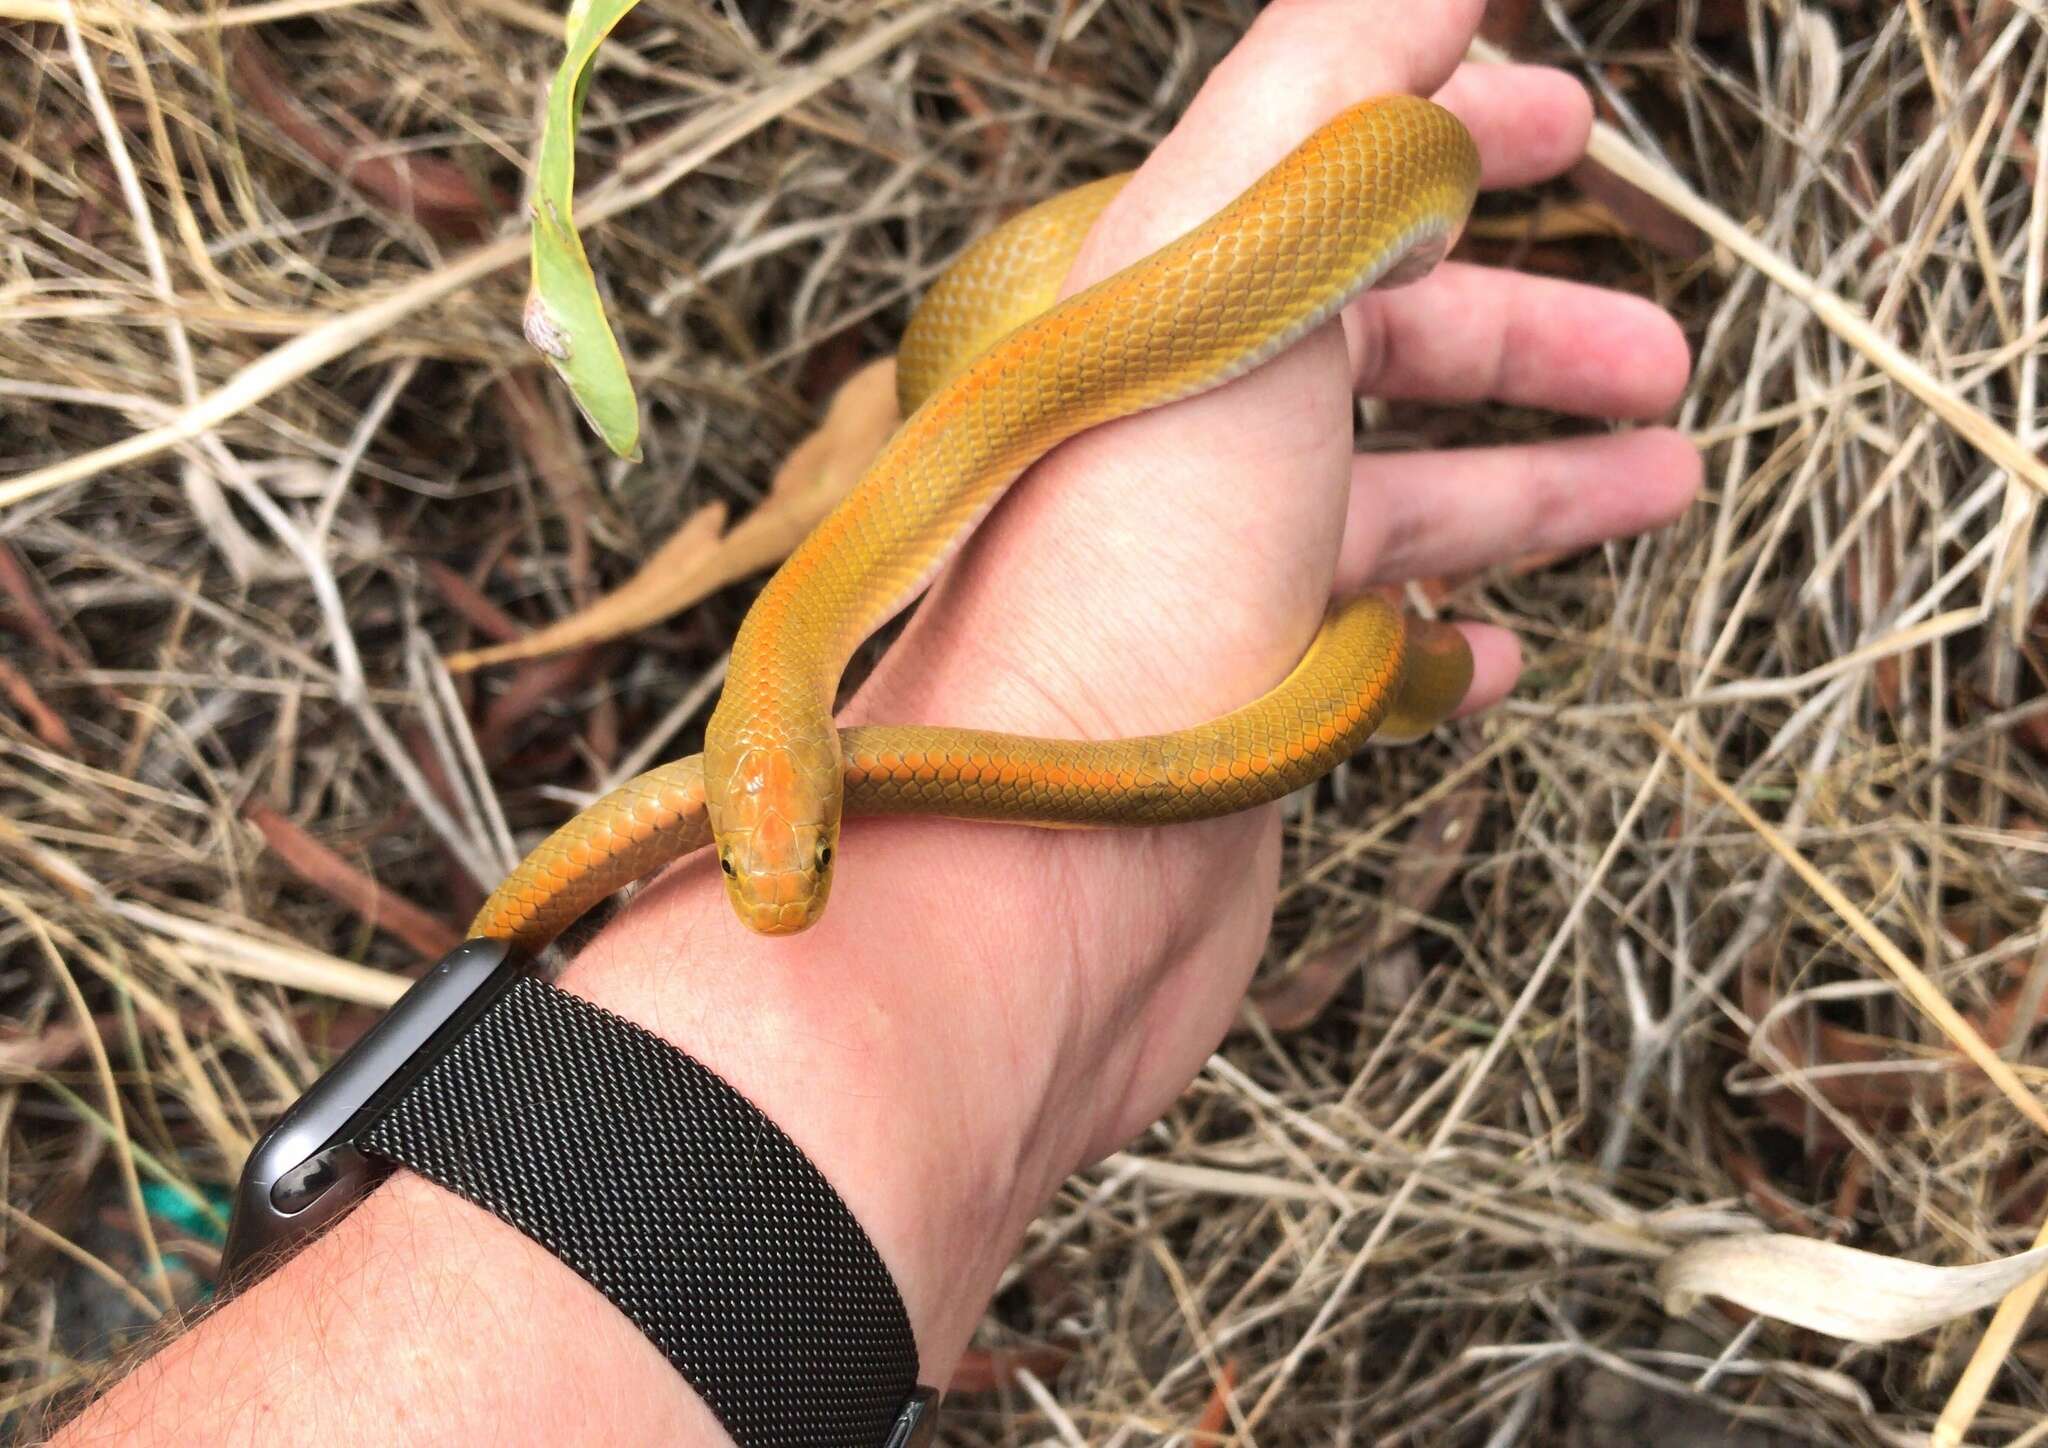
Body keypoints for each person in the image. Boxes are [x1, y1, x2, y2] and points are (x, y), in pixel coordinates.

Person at [58, 0, 1697, 1440]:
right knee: (1373, 645)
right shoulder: (819, 662)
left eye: (811, 834)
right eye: (812, 831)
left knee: (1368, 595)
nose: (792, 885)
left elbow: (1379, 166)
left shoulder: (869, 573)